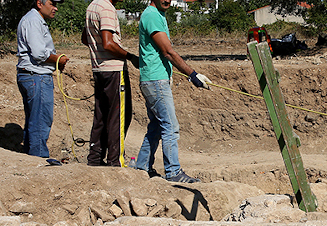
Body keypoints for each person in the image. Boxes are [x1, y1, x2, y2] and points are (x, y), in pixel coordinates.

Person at [135, 0, 212, 183]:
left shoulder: (156, 14)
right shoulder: (152, 15)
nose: (167, 0)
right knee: (170, 126)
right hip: (155, 81)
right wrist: (192, 74)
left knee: (155, 127)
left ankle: (142, 167)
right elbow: (167, 51)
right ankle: (173, 172)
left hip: (153, 79)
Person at [83, 0, 140, 167]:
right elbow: (108, 43)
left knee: (101, 115)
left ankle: (94, 158)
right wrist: (130, 56)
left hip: (99, 69)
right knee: (119, 117)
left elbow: (85, 38)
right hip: (114, 70)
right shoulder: (107, 8)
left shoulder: (92, 6)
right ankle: (115, 161)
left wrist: (96, 48)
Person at [16, 0, 69, 160]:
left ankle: (30, 160)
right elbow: (39, 54)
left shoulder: (34, 19)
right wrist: (58, 59)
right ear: (40, 3)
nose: (55, 8)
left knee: (34, 120)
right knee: (40, 120)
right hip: (36, 76)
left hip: (32, 75)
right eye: (52, 4)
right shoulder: (33, 21)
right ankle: (39, 161)